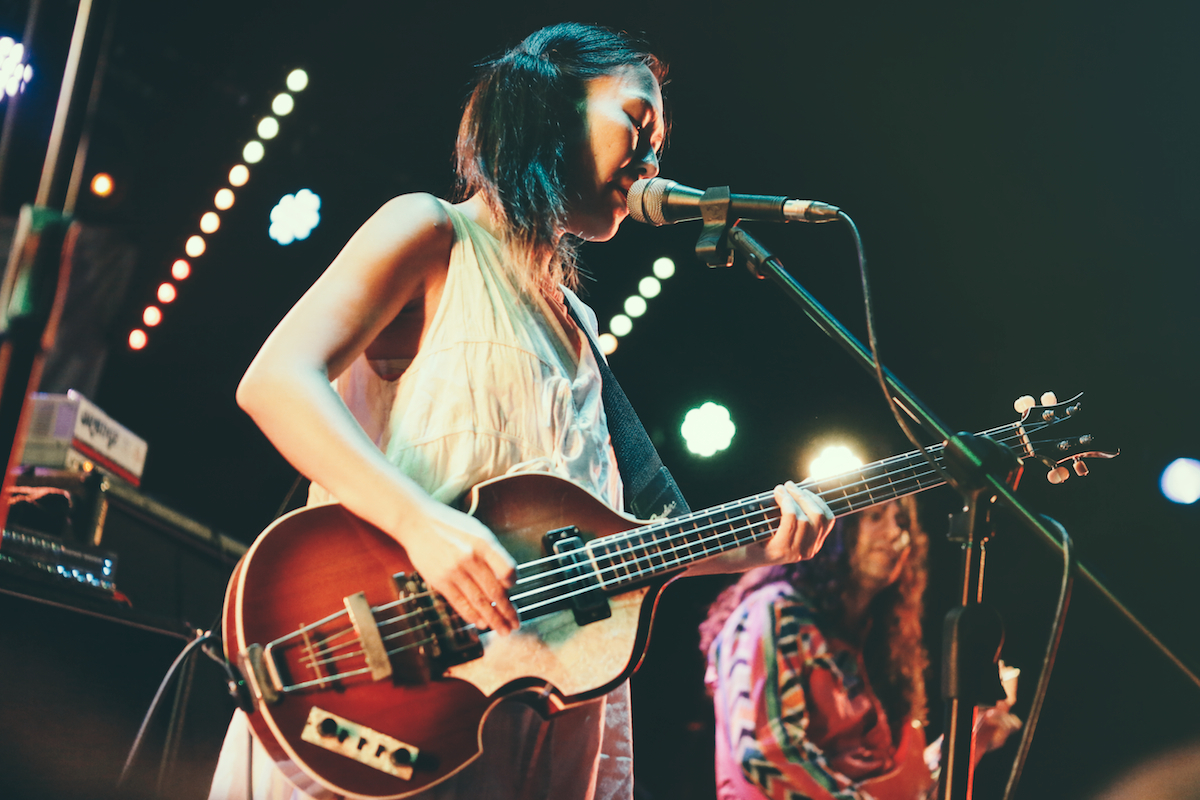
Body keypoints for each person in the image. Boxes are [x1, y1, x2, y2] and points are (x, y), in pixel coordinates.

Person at [209, 23, 835, 800]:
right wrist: (420, 524)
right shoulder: (434, 230)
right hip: (391, 684)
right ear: (549, 105)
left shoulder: (580, 325)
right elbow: (274, 380)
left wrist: (760, 545)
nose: (653, 158)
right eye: (638, 122)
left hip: (518, 711)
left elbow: (621, 549)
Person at [700, 497, 1021, 800]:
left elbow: (907, 788)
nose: (895, 533)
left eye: (902, 522)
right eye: (875, 517)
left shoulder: (878, 644)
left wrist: (973, 735)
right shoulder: (772, 610)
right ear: (833, 530)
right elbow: (766, 753)